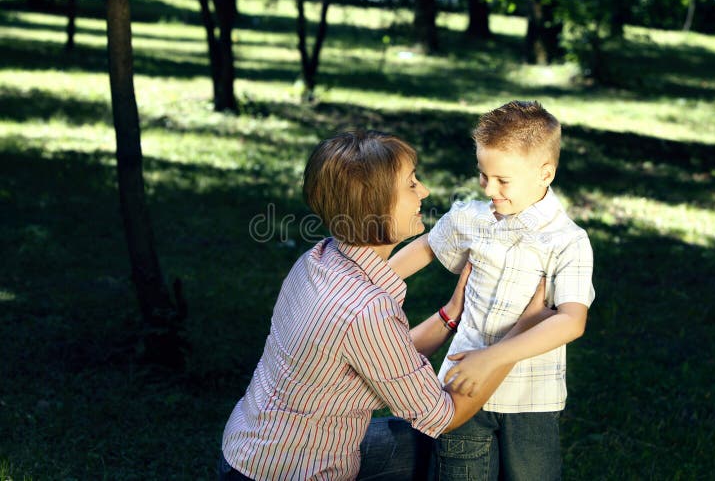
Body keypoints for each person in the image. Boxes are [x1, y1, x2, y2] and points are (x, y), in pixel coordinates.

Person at [218, 130, 550, 480]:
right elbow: (443, 415)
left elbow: (385, 355)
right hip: (290, 472)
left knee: (434, 445)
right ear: (375, 205)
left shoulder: (318, 259)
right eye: (410, 185)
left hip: (252, 451)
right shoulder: (366, 310)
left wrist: (452, 312)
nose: (424, 191)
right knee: (457, 439)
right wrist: (518, 334)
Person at [388, 101, 595, 480]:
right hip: (460, 386)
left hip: (530, 400)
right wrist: (371, 282)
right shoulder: (471, 217)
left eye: (503, 180)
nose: (489, 188)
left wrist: (494, 356)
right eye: (483, 175)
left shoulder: (567, 241)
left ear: (545, 173)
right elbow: (425, 247)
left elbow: (571, 321)